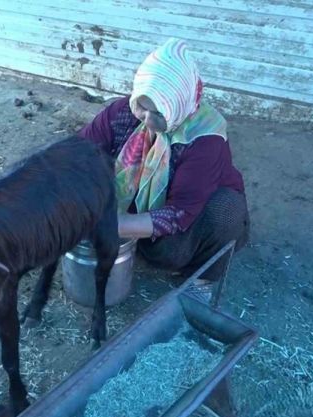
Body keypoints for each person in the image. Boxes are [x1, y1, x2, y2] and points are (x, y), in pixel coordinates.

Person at [78, 38, 249, 300]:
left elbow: (179, 212)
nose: (146, 119)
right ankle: (131, 241)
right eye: (142, 107)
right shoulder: (121, 113)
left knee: (225, 211)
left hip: (187, 226)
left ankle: (202, 277)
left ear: (177, 104)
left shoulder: (204, 139)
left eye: (158, 112)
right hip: (133, 214)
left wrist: (110, 224)